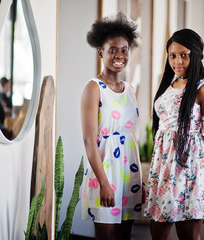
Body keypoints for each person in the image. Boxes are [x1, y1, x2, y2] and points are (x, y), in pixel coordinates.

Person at [144, 28, 204, 240]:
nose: (178, 61)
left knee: (188, 235)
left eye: (184, 55)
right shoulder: (170, 84)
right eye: (173, 56)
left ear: (195, 55)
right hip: (164, 170)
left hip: (190, 173)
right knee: (157, 233)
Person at [80, 13, 144, 240]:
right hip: (104, 172)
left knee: (125, 235)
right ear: (101, 52)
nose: (119, 55)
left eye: (124, 49)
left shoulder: (129, 90)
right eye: (113, 50)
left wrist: (140, 181)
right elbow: (89, 141)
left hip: (129, 172)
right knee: (106, 235)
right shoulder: (93, 88)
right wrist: (103, 183)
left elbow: (131, 135)